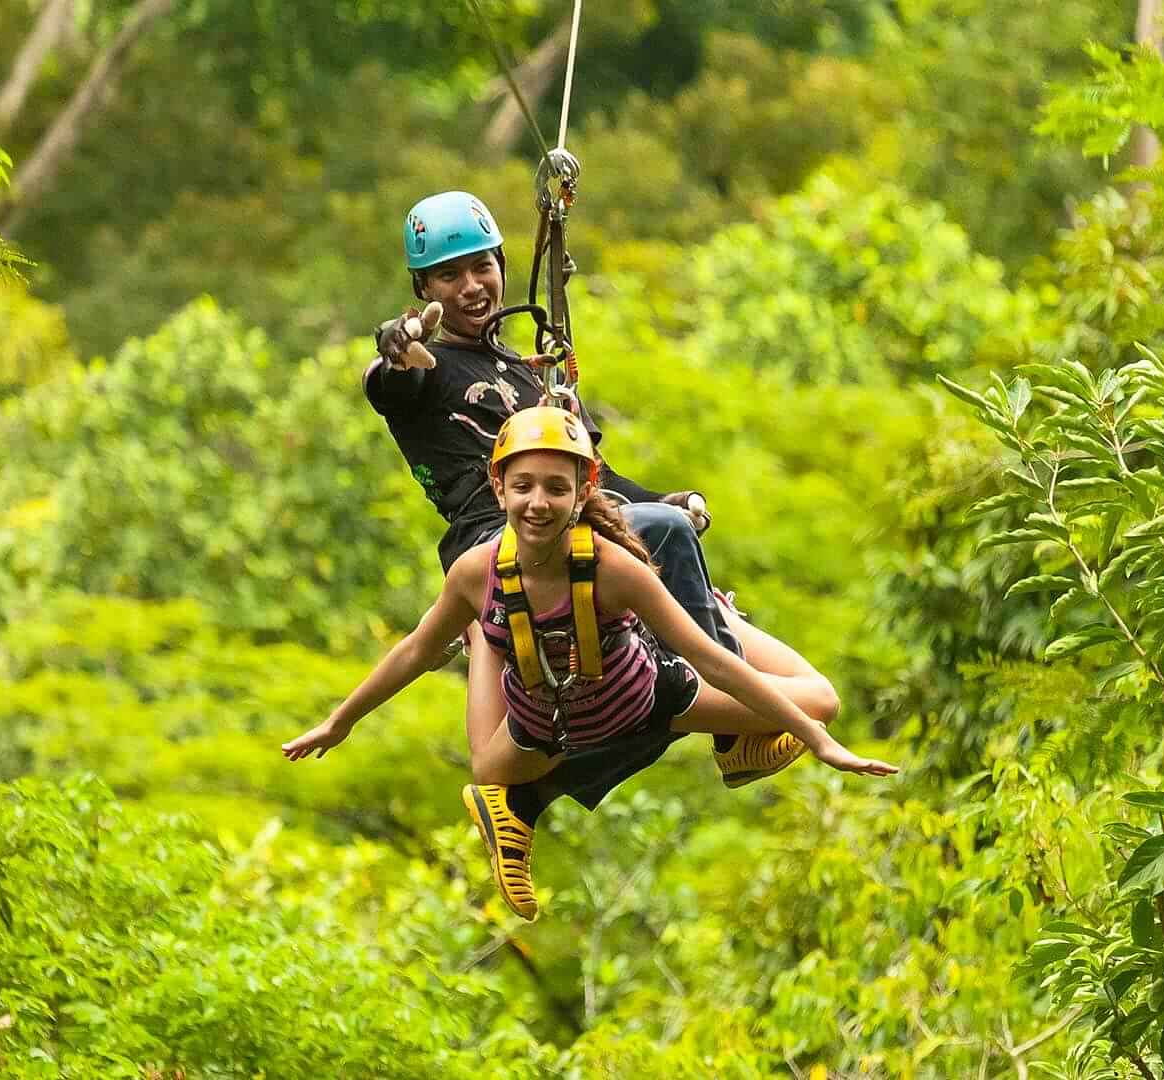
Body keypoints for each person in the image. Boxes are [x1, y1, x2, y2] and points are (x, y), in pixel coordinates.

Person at [349, 189, 819, 911]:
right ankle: (728, 732)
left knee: (652, 662)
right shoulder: (429, 371)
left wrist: (673, 498)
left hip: (572, 530)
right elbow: (391, 383)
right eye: (447, 276)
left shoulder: (532, 374)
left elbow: (594, 482)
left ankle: (528, 803)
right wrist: (399, 344)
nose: (470, 287)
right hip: (502, 538)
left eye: (480, 267)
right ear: (423, 289)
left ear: (503, 267)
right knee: (657, 553)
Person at [282, 407, 897, 916]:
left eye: (557, 488)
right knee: (486, 766)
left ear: (584, 492)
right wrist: (342, 721)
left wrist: (816, 740)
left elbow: (709, 657)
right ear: (498, 489)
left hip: (654, 703)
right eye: (522, 487)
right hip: (545, 728)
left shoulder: (614, 570)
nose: (538, 504)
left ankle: (723, 612)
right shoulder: (475, 572)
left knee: (820, 698)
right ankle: (483, 637)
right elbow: (415, 650)